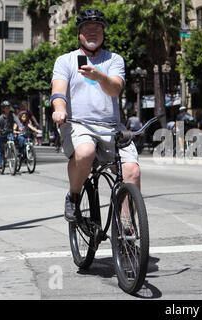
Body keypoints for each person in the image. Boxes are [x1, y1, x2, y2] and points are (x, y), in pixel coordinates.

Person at [51, 8, 138, 222]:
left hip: (111, 126)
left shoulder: (114, 60)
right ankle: (73, 195)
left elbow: (115, 89)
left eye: (97, 28)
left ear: (103, 33)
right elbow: (58, 91)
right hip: (78, 124)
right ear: (79, 33)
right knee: (85, 152)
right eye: (87, 28)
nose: (92, 32)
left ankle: (126, 227)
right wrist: (59, 109)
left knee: (132, 172)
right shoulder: (66, 60)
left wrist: (99, 76)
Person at [0, 101, 23, 168]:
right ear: (3, 109)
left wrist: (20, 126)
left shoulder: (12, 115)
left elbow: (17, 121)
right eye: (6, 108)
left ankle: (15, 154)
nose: (7, 109)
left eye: (8, 107)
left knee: (13, 141)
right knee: (0, 149)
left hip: (9, 132)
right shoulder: (1, 117)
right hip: (2, 134)